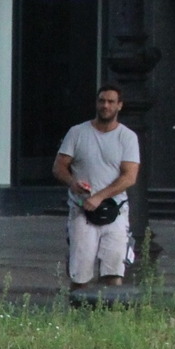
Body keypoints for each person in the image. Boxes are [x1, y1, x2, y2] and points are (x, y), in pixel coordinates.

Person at [55, 85, 139, 290]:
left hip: (115, 210)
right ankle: (77, 315)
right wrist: (73, 183)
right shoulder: (77, 132)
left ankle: (109, 317)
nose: (105, 105)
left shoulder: (127, 137)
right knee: (80, 273)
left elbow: (130, 176)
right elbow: (59, 167)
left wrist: (100, 196)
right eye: (101, 101)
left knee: (113, 271)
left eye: (111, 102)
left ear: (119, 105)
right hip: (82, 209)